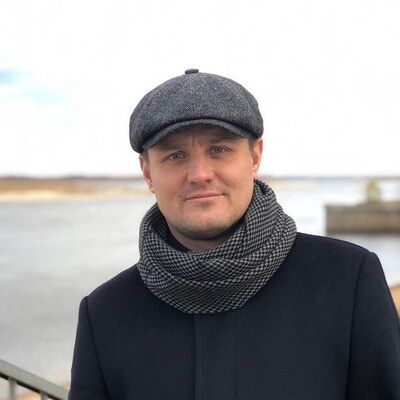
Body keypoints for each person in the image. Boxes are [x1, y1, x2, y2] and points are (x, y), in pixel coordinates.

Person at [68, 69, 400, 399]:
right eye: (175, 155)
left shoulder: (347, 280)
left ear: (254, 157)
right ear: (147, 173)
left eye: (219, 149)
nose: (199, 174)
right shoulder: (105, 314)